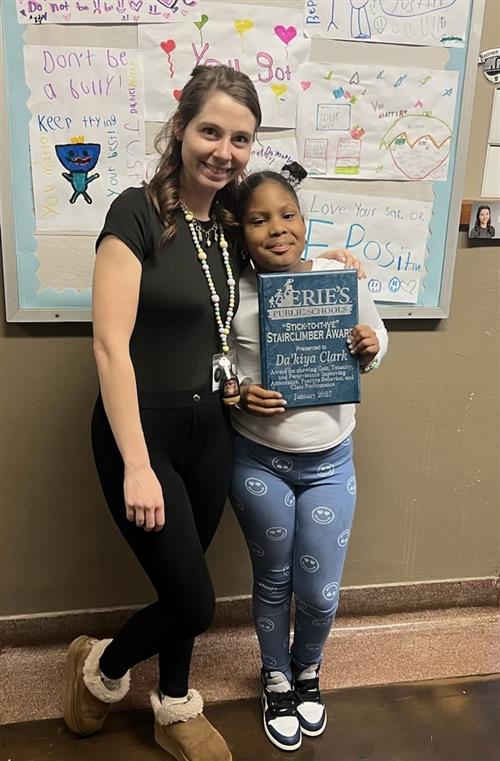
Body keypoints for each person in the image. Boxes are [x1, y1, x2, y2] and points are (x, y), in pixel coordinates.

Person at [62, 67, 359, 760]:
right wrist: (136, 463)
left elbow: (279, 265)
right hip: (140, 432)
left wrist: (332, 266)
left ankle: (172, 703)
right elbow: (108, 347)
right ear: (181, 129)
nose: (224, 150)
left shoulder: (228, 225)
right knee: (193, 600)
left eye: (240, 138)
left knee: (187, 572)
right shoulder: (135, 212)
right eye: (211, 131)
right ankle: (100, 668)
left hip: (214, 432)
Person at [228, 164, 388, 752]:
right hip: (258, 460)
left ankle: (307, 670)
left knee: (319, 591)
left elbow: (373, 339)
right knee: (273, 578)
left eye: (287, 215)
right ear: (239, 231)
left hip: (329, 462)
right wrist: (238, 390)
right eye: (258, 219)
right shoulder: (231, 292)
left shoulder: (336, 276)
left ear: (304, 219)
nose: (276, 228)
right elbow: (213, 369)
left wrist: (373, 345)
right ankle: (275, 679)